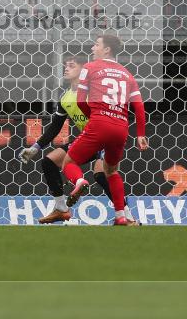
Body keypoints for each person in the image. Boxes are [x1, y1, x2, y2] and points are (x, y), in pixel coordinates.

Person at [19, 53, 138, 225]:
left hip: (105, 139)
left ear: (84, 70)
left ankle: (127, 216)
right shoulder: (66, 97)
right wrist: (35, 147)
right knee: (48, 162)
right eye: (66, 65)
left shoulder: (95, 92)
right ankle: (61, 208)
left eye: (72, 65)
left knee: (101, 174)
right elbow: (55, 127)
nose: (66, 68)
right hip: (87, 140)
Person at [60, 34, 147, 226]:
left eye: (96, 44)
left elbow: (81, 100)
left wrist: (94, 118)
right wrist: (140, 133)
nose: (92, 48)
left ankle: (79, 182)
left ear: (106, 49)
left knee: (69, 162)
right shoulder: (127, 74)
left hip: (99, 122)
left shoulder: (90, 68)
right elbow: (139, 107)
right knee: (111, 171)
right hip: (121, 127)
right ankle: (121, 216)